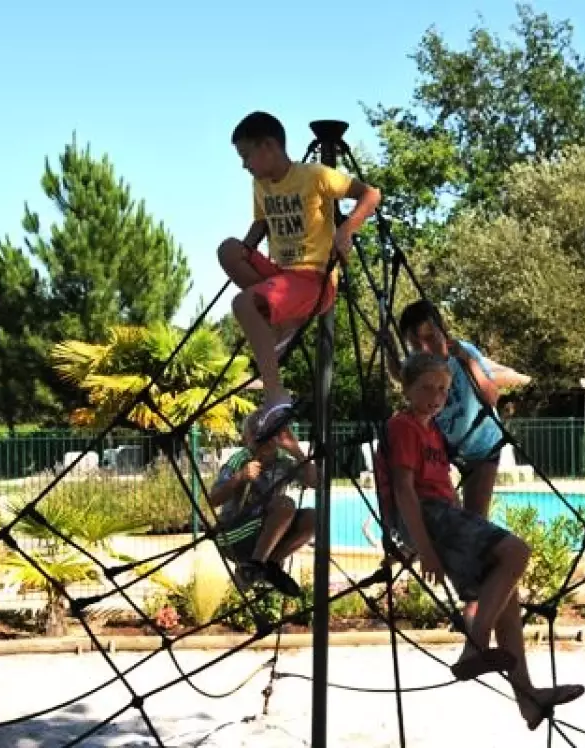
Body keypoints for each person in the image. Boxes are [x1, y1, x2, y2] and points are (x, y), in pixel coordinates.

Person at [376, 352, 584, 731]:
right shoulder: (402, 427)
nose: (436, 397)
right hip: (427, 516)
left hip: (443, 515)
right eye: (427, 388)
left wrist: (462, 521)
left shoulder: (433, 431)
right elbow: (404, 490)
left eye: (443, 390)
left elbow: (443, 488)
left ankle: (528, 699)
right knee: (516, 551)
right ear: (407, 389)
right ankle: (475, 643)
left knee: (506, 597)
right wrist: (423, 548)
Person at [217, 111, 381, 426]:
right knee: (228, 249)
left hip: (314, 279)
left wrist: (346, 230)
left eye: (246, 155)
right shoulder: (260, 183)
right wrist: (245, 251)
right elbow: (262, 222)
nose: (244, 165)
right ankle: (281, 322)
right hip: (281, 276)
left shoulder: (314, 175)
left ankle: (275, 394)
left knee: (243, 304)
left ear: (268, 146)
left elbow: (371, 193)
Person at [384, 299, 503, 628]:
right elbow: (402, 376)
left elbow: (491, 397)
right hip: (449, 450)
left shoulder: (463, 352)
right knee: (445, 516)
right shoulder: (420, 364)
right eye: (415, 343)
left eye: (430, 337)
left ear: (443, 331)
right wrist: (389, 346)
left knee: (475, 523)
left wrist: (467, 361)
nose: (425, 347)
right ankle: (416, 547)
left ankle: (474, 609)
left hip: (482, 447)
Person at [209, 407, 318, 596]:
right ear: (248, 439)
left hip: (264, 533)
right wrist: (240, 477)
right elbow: (213, 499)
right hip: (234, 535)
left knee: (313, 518)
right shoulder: (240, 460)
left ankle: (268, 566)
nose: (266, 442)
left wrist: (297, 452)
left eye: (271, 435)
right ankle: (254, 567)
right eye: (260, 437)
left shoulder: (283, 461)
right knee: (285, 504)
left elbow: (315, 482)